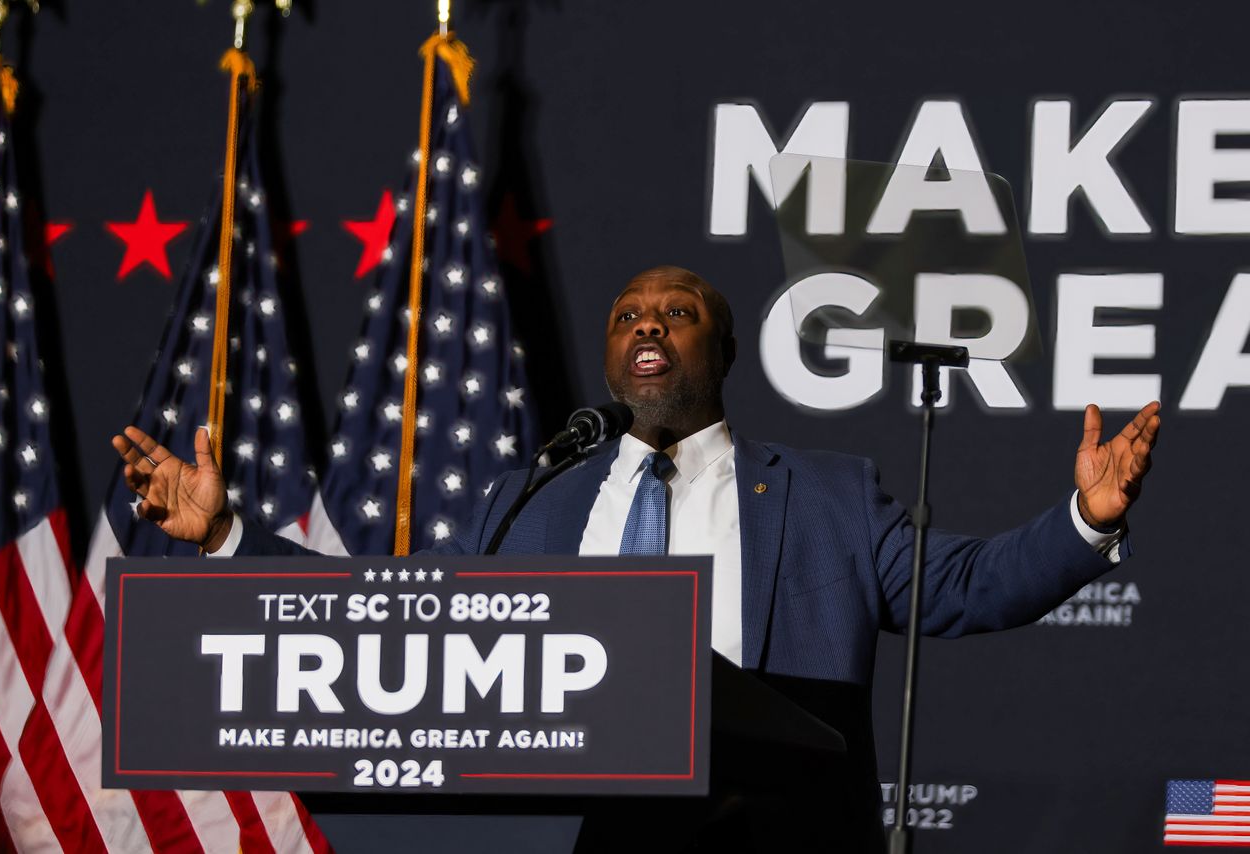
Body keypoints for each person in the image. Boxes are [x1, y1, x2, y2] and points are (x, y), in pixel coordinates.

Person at [112, 265, 1160, 852]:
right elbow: (391, 619)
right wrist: (231, 537)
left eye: (676, 310)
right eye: (625, 314)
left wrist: (1081, 515)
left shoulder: (828, 493)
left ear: (721, 350)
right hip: (582, 839)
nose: (646, 323)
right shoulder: (530, 494)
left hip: (777, 835)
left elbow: (967, 585)